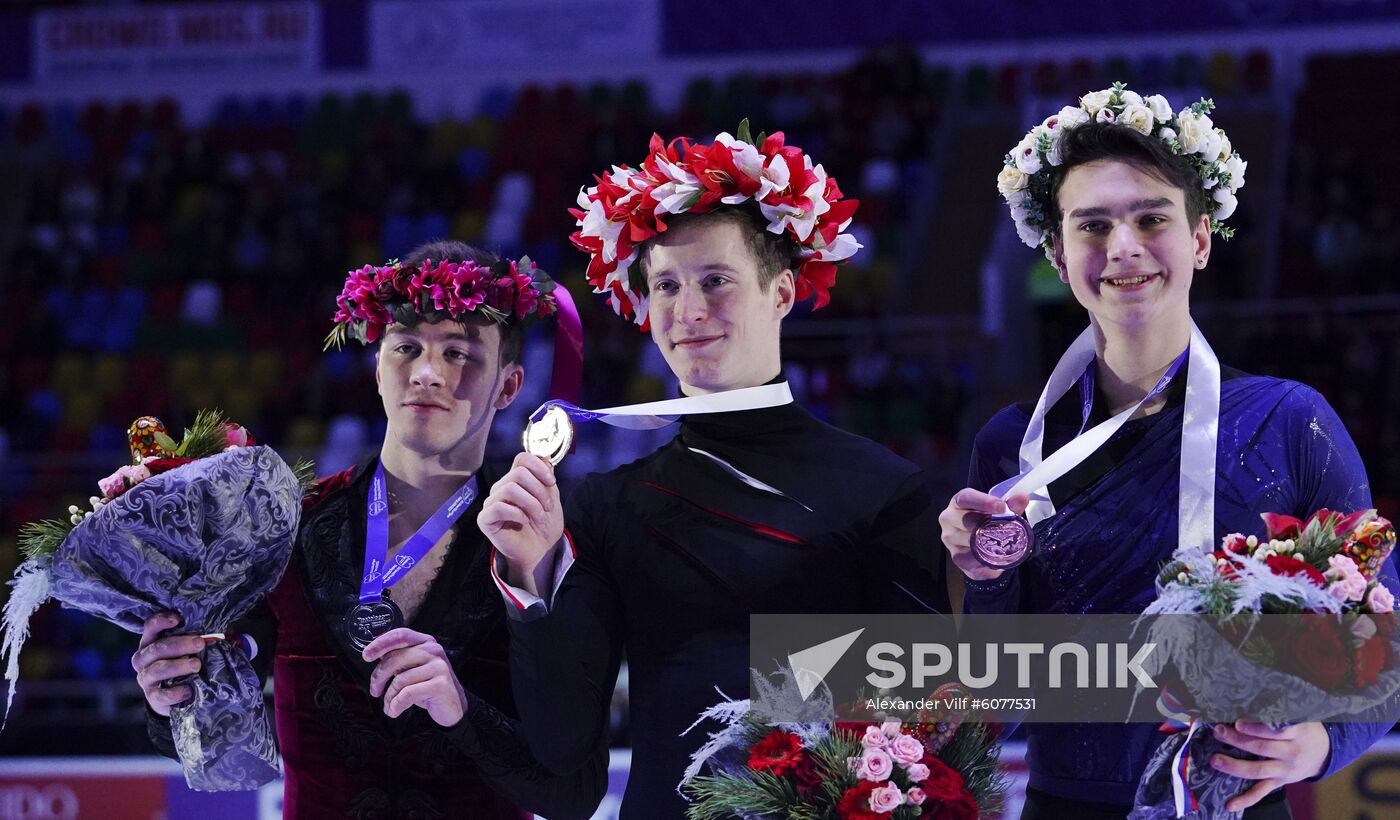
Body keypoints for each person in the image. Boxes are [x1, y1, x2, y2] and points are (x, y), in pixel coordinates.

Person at [939, 85, 1398, 818]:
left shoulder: (1291, 422)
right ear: (1057, 253)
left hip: (1235, 802)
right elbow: (997, 690)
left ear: (1200, 239)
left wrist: (1324, 742)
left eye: (1151, 218)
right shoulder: (1014, 446)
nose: (1123, 246)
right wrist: (986, 576)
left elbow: (1384, 639)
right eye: (1093, 226)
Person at [478, 127, 951, 816]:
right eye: (666, 286)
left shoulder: (880, 488)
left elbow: (933, 715)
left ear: (781, 292)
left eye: (715, 281)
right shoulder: (607, 506)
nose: (688, 311)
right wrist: (531, 579)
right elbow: (563, 748)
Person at [132, 241, 606, 819]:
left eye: (458, 353)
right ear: (379, 368)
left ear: (508, 387)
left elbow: (574, 795)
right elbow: (213, 734)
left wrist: (463, 710)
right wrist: (170, 692)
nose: (427, 374)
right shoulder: (287, 527)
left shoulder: (546, 545)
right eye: (406, 348)